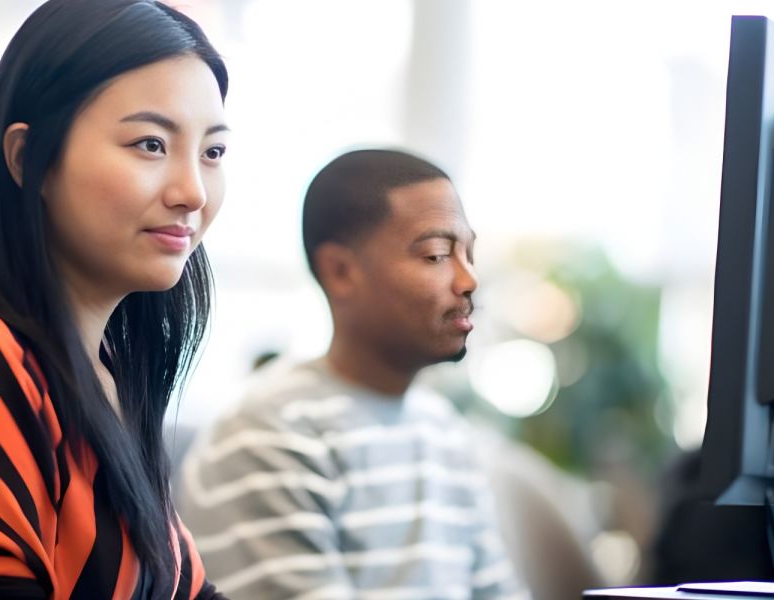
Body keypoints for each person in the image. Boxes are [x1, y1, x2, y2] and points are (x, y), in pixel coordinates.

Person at [0, 1, 230, 597]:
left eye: (212, 152)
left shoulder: (106, 377)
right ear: (30, 160)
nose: (192, 192)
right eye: (151, 145)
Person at [176, 149, 526, 599]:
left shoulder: (448, 436)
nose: (469, 280)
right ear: (341, 272)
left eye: (469, 253)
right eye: (437, 255)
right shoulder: (267, 436)